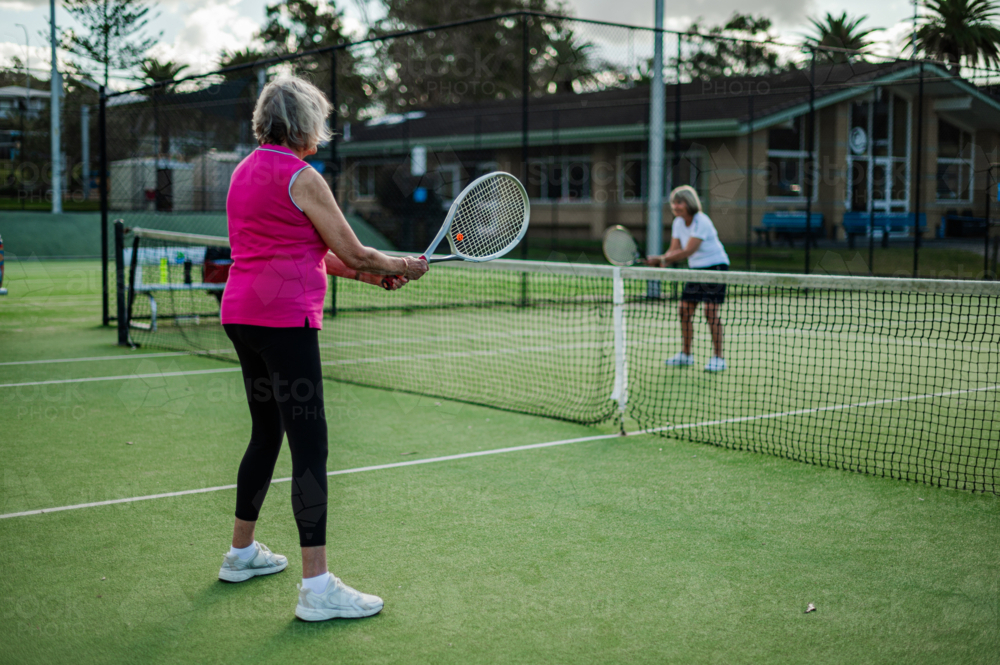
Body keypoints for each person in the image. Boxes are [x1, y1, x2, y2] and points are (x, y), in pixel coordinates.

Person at [217, 76, 428, 621]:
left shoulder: (243, 172)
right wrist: (400, 266)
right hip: (285, 323)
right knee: (311, 449)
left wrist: (370, 277)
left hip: (243, 316)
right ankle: (317, 588)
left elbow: (308, 251)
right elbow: (354, 250)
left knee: (267, 434)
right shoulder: (303, 177)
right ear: (306, 123)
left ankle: (240, 554)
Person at [647, 185, 729, 372]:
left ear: (689, 203)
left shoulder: (702, 221)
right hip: (696, 270)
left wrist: (662, 259)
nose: (676, 206)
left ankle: (718, 358)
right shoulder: (678, 222)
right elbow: (674, 249)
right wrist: (662, 261)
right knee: (684, 310)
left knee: (710, 312)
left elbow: (688, 250)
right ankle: (686, 355)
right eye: (674, 202)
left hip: (716, 267)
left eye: (680, 202)